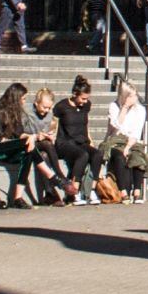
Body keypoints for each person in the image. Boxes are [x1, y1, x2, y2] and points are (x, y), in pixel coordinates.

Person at [0, 83, 36, 208]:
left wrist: (31, 137)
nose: (25, 102)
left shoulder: (15, 112)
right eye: (23, 99)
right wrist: (27, 140)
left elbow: (19, 134)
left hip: (4, 147)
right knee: (28, 146)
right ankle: (53, 178)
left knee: (29, 152)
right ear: (16, 98)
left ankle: (18, 197)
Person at [99, 82, 148, 204]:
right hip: (116, 139)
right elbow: (115, 126)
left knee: (137, 157)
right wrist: (124, 108)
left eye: (135, 95)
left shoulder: (140, 110)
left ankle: (137, 191)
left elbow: (136, 132)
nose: (134, 99)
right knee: (119, 156)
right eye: (130, 96)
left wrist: (128, 146)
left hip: (131, 141)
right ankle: (123, 191)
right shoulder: (114, 106)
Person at [51, 76, 97, 204]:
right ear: (74, 94)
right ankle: (73, 191)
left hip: (81, 140)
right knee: (83, 155)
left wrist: (90, 140)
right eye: (82, 98)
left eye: (87, 98)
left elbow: (86, 124)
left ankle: (91, 190)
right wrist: (51, 139)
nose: (84, 101)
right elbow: (53, 125)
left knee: (97, 154)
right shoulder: (61, 106)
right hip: (65, 142)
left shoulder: (86, 105)